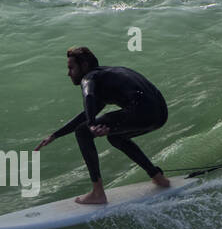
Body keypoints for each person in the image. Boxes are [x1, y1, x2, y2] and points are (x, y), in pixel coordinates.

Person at [34, 46, 170, 204]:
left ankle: (98, 193)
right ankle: (158, 177)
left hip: (141, 110)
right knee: (116, 138)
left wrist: (91, 125)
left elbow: (88, 95)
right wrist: (55, 135)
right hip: (159, 114)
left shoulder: (90, 78)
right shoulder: (107, 78)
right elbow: (87, 111)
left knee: (82, 132)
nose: (68, 73)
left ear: (84, 65)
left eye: (71, 68)